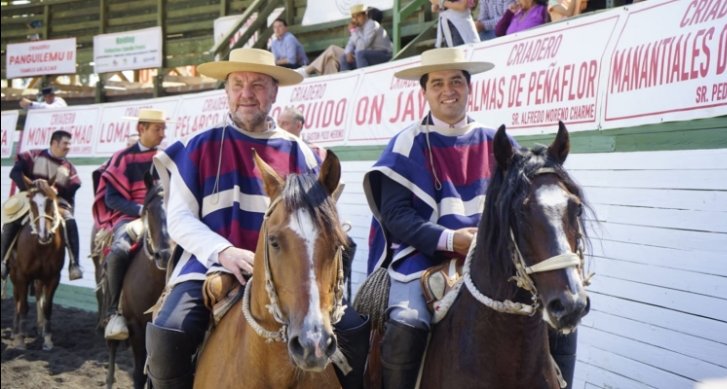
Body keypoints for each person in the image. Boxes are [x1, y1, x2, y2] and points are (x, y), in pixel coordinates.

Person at [146, 48, 370, 389]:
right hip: (209, 265)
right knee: (170, 332)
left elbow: (321, 224)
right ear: (226, 90)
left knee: (353, 331)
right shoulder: (198, 146)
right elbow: (178, 219)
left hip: (290, 271)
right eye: (238, 84)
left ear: (274, 92)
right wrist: (224, 252)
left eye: (258, 84)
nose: (247, 94)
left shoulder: (300, 151)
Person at [363, 47, 498, 389]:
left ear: (469, 88)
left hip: (488, 256)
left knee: (549, 312)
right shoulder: (406, 143)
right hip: (420, 259)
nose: (447, 90)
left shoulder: (495, 141)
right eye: (437, 83)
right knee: (408, 321)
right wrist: (452, 240)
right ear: (423, 92)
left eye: (456, 81)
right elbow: (395, 215)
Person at [92, 108, 167, 341]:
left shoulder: (166, 158)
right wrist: (141, 211)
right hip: (130, 218)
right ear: (141, 129)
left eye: (164, 128)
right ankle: (114, 311)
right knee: (119, 250)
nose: (163, 134)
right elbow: (111, 199)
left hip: (162, 216)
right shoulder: (122, 158)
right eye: (158, 129)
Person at [1, 130, 83, 281]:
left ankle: (74, 264)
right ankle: (3, 261)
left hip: (55, 202)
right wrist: (32, 188)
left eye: (70, 144)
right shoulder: (32, 156)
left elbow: (74, 186)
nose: (68, 147)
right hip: (30, 198)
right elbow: (15, 173)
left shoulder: (69, 168)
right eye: (65, 143)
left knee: (70, 220)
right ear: (54, 143)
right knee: (12, 219)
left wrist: (54, 191)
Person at [339, 4, 393, 71]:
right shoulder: (357, 28)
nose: (355, 19)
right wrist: (348, 52)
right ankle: (347, 80)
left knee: (360, 54)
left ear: (365, 15)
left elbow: (362, 46)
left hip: (384, 55)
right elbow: (350, 43)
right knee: (344, 57)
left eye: (358, 16)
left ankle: (363, 78)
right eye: (353, 17)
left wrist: (353, 31)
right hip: (369, 56)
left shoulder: (371, 24)